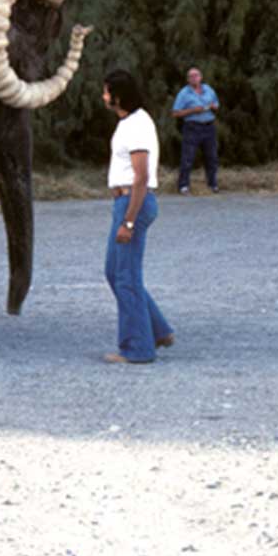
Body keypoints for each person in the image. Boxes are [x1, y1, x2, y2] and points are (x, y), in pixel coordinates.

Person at [101, 68, 175, 365]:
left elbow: (141, 176)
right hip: (125, 201)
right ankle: (157, 330)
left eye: (106, 91)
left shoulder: (136, 126)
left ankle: (137, 348)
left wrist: (129, 222)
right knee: (115, 271)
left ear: (118, 96)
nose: (103, 97)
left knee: (126, 276)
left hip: (133, 202)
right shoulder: (129, 122)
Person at [171, 66, 221, 194]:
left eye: (196, 75)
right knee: (188, 157)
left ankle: (212, 184)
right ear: (188, 79)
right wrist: (193, 110)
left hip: (208, 126)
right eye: (191, 76)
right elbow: (175, 113)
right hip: (192, 126)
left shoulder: (208, 89)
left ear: (201, 77)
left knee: (212, 157)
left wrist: (213, 107)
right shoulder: (184, 93)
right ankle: (183, 185)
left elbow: (216, 104)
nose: (194, 78)